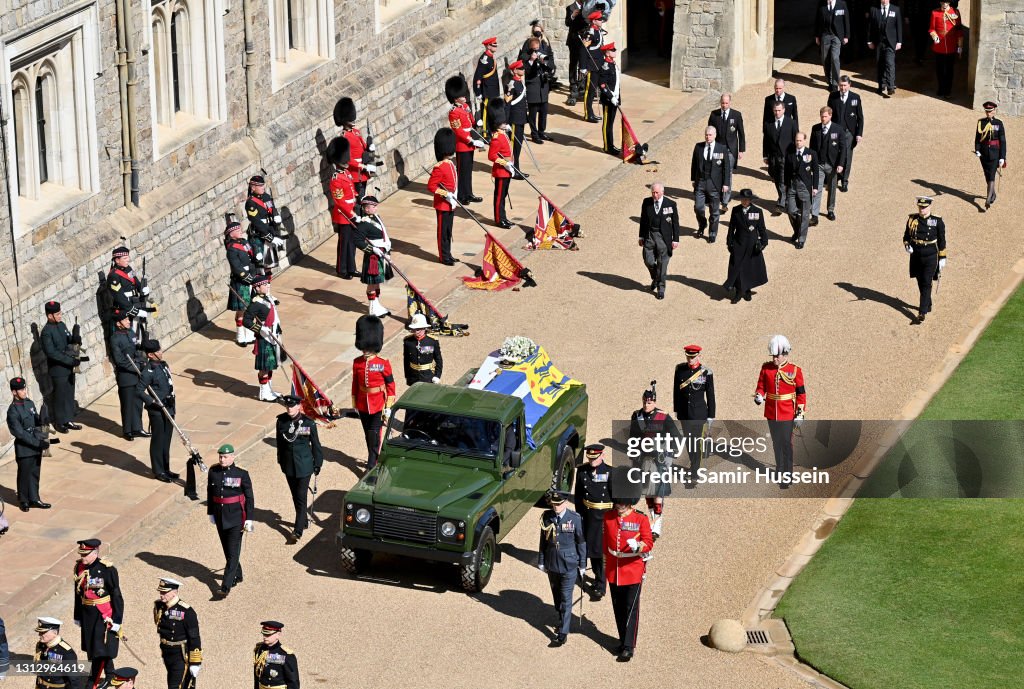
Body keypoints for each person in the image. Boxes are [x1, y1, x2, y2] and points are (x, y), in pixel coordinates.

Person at [603, 473, 654, 662]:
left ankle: (629, 646)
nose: (620, 505)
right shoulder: (608, 517)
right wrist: (604, 566)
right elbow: (605, 544)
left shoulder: (640, 519)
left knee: (631, 609)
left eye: (623, 502)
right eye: (618, 501)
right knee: (618, 608)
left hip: (632, 569)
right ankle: (622, 640)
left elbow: (648, 542)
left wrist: (638, 546)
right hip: (614, 570)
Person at [754, 335, 806, 488]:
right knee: (776, 443)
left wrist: (800, 413)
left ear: (784, 354)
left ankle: (788, 473)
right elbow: (761, 386)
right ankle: (780, 469)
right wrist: (759, 395)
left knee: (786, 444)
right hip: (771, 412)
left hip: (787, 413)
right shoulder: (766, 369)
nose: (774, 359)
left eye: (777, 356)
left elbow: (801, 394)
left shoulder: (795, 371)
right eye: (773, 356)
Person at [628, 384, 678, 538]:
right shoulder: (637, 416)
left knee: (658, 493)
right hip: (643, 458)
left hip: (659, 460)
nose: (646, 405)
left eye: (649, 402)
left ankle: (657, 525)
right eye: (644, 402)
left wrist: (670, 453)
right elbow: (633, 437)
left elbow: (676, 436)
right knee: (648, 493)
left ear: (654, 402)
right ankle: (653, 520)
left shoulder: (663, 416)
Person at [537, 490, 586, 648]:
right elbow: (543, 541)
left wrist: (583, 564)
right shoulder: (547, 517)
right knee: (557, 597)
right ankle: (561, 620)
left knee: (566, 598)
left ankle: (562, 634)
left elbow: (581, 542)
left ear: (565, 503)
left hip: (569, 564)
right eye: (554, 504)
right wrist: (541, 560)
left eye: (559, 504)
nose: (556, 507)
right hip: (552, 563)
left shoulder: (575, 519)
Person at [73, 538, 124, 688]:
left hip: (103, 615)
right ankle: (110, 674)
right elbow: (77, 594)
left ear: (95, 552)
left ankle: (92, 682)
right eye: (81, 554)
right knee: (92, 647)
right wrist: (77, 615)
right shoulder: (78, 567)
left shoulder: (107, 569)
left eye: (86, 554)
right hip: (87, 614)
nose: (83, 557)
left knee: (99, 650)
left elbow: (117, 596)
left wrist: (117, 620)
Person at [137, 339, 186, 490]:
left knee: (166, 441)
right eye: (157, 351)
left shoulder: (163, 365)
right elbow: (138, 390)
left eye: (160, 350)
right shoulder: (148, 371)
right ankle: (158, 471)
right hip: (157, 410)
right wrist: (152, 401)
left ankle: (166, 468)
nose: (161, 352)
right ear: (151, 355)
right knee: (158, 441)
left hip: (169, 407)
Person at [207, 444, 254, 595]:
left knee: (233, 553)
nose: (222, 459)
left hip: (236, 518)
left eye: (225, 457)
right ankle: (237, 574)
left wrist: (250, 519)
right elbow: (210, 493)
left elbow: (249, 498)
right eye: (220, 456)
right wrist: (210, 512)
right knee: (227, 550)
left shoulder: (242, 474)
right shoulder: (213, 471)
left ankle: (225, 586)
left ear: (233, 457)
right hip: (220, 516)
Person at [276, 395, 324, 541]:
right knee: (295, 495)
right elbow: (279, 443)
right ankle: (302, 520)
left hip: (304, 465)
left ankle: (297, 531)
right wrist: (280, 460)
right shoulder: (281, 421)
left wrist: (318, 464)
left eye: (292, 406)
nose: (289, 408)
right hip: (288, 465)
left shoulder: (308, 424)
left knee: (301, 496)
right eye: (287, 406)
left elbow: (316, 445)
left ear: (299, 407)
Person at [351, 315, 396, 471]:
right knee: (367, 433)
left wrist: (388, 406)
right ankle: (375, 455)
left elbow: (390, 385)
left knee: (373, 433)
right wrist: (355, 402)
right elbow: (355, 384)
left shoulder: (383, 363)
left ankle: (372, 464)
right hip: (363, 403)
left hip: (378, 403)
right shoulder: (357, 362)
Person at [672, 344, 716, 486]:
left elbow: (710, 395)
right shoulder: (680, 370)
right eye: (688, 356)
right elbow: (676, 392)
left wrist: (711, 416)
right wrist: (677, 410)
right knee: (689, 443)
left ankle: (695, 471)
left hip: (699, 414)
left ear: (699, 356)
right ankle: (694, 463)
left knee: (696, 444)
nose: (690, 359)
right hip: (685, 413)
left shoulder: (706, 373)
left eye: (693, 357)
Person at [7, 376, 52, 511]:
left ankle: (34, 498)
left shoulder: (29, 403)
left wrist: (44, 422)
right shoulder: (13, 411)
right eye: (21, 389)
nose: (24, 391)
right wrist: (37, 443)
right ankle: (23, 500)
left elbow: (36, 422)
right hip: (25, 448)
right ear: (14, 392)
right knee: (24, 474)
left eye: (24, 388)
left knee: (34, 473)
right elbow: (20, 433)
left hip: (36, 445)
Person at [574, 443, 612, 601]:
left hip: (603, 516)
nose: (592, 461)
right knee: (587, 547)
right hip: (587, 515)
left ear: (602, 455)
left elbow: (616, 499)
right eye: (590, 458)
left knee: (599, 552)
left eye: (595, 458)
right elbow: (578, 496)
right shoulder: (582, 471)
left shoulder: (611, 472)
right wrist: (579, 516)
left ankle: (600, 584)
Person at [41, 301, 84, 433]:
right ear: (50, 316)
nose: (60, 315)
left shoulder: (62, 325)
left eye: (60, 313)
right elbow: (52, 353)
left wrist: (75, 338)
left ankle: (68, 419)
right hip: (58, 369)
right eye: (57, 314)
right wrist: (70, 361)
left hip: (69, 367)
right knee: (60, 396)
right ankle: (60, 422)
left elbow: (68, 339)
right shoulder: (46, 332)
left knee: (69, 394)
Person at [903, 196, 947, 324]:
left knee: (927, 282)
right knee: (920, 280)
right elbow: (906, 236)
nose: (922, 209)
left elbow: (942, 240)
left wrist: (943, 257)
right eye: (920, 207)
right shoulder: (912, 219)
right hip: (916, 254)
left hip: (931, 255)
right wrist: (907, 246)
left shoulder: (937, 221)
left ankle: (922, 312)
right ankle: (928, 303)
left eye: (925, 207)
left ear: (930, 207)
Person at [153, 577, 202, 689]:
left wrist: (195, 662)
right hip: (166, 652)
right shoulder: (159, 606)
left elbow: (194, 638)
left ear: (174, 592)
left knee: (176, 686)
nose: (161, 595)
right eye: (161, 592)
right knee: (173, 682)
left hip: (180, 655)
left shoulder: (187, 611)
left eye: (165, 592)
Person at [445, 74, 485, 206]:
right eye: (462, 95)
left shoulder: (464, 106)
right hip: (462, 144)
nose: (464, 97)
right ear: (455, 98)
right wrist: (471, 141)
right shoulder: (453, 112)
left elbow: (470, 121)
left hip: (469, 141)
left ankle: (469, 193)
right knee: (462, 171)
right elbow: (458, 130)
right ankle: (462, 195)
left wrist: (476, 121)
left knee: (468, 170)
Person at [723, 189, 769, 303]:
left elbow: (761, 228)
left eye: (746, 199)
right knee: (737, 268)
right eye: (742, 199)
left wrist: (764, 242)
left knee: (749, 268)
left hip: (752, 245)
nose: (744, 201)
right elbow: (731, 228)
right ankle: (738, 291)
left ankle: (747, 289)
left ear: (750, 200)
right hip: (739, 243)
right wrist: (729, 242)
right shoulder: (736, 210)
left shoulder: (758, 211)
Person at [243, 275, 283, 401]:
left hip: (273, 335)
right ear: (257, 288)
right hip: (264, 338)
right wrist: (260, 329)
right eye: (264, 285)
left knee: (270, 365)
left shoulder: (267, 298)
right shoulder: (256, 303)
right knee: (264, 367)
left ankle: (269, 390)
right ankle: (264, 393)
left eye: (267, 284)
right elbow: (246, 321)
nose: (267, 286)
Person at [352, 195, 394, 316]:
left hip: (382, 252)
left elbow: (384, 235)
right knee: (372, 283)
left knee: (377, 281)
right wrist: (372, 249)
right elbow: (357, 241)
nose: (376, 208)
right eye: (373, 206)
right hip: (373, 256)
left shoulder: (377, 218)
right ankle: (372, 309)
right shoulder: (364, 224)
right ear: (366, 209)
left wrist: (387, 252)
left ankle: (377, 305)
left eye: (376, 206)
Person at [109, 309, 146, 441]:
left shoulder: (130, 333)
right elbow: (120, 361)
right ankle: (128, 430)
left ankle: (138, 427)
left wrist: (141, 359)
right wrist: (137, 367)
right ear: (118, 323)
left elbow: (137, 349)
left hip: (137, 374)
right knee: (127, 404)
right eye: (125, 320)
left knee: (137, 403)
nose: (128, 321)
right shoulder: (114, 339)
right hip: (127, 376)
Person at [638, 183, 679, 300]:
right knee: (648, 260)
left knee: (662, 265)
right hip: (650, 235)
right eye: (653, 193)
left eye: (656, 193)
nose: (654, 195)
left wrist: (675, 239)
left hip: (663, 238)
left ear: (662, 192)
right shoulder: (646, 202)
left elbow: (675, 223)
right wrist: (641, 236)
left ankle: (661, 289)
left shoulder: (670, 204)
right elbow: (643, 220)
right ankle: (656, 277)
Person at [691, 126, 732, 243]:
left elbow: (726, 168)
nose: (708, 137)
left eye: (710, 135)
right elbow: (694, 163)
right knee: (698, 207)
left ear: (715, 135)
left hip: (714, 184)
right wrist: (693, 179)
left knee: (714, 211)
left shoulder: (722, 148)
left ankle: (712, 232)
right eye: (706, 135)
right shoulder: (698, 147)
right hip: (701, 182)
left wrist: (726, 183)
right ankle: (702, 224)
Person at [707, 94, 746, 210]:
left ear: (730, 103)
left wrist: (741, 150)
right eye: (723, 103)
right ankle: (717, 195)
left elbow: (741, 133)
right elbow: (709, 131)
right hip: (718, 149)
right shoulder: (714, 115)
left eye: (726, 103)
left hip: (730, 149)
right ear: (720, 102)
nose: (724, 105)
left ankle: (725, 200)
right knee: (716, 172)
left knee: (727, 173)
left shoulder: (736, 115)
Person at [327, 137, 358, 279]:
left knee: (352, 242)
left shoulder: (346, 173)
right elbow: (340, 201)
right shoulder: (336, 178)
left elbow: (352, 190)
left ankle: (351, 267)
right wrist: (351, 213)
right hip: (344, 215)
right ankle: (342, 269)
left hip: (351, 211)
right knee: (344, 243)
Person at [827, 75, 864, 192]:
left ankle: (844, 181)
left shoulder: (855, 97)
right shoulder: (833, 96)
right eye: (841, 85)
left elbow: (860, 118)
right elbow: (829, 114)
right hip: (836, 131)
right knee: (834, 153)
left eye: (844, 85)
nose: (842, 88)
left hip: (849, 133)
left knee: (847, 156)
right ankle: (835, 178)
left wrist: (858, 134)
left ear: (849, 85)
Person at [428, 127, 459, 265]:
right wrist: (446, 194)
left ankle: (449, 253)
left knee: (448, 231)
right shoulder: (439, 167)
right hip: (443, 204)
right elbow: (431, 186)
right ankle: (443, 256)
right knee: (442, 232)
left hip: (451, 203)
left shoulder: (451, 164)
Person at [809, 106, 846, 224]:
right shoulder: (815, 129)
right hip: (819, 164)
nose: (823, 119)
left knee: (832, 187)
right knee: (817, 188)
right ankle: (814, 214)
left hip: (833, 165)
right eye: (821, 116)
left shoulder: (838, 129)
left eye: (825, 116)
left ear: (830, 116)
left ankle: (830, 209)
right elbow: (812, 148)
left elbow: (843, 148)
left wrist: (840, 164)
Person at [334, 97, 377, 199]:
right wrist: (363, 166)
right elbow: (347, 159)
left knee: (362, 197)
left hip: (363, 172)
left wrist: (370, 147)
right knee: (358, 199)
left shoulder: (356, 132)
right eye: (350, 118)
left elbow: (363, 147)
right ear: (344, 120)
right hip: (355, 174)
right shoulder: (344, 137)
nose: (353, 120)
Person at [520, 23, 556, 144]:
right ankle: (534, 134)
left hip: (543, 82)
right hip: (533, 82)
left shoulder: (545, 43)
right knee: (533, 111)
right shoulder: (528, 43)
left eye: (539, 31)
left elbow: (551, 58)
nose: (538, 33)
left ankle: (542, 132)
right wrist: (531, 58)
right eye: (535, 31)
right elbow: (522, 58)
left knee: (544, 110)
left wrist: (548, 65)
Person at [106, 246, 151, 338]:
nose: (128, 260)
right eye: (125, 258)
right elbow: (119, 296)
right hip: (125, 308)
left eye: (128, 257)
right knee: (131, 334)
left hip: (135, 301)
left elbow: (135, 281)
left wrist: (143, 289)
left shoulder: (128, 269)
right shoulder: (113, 276)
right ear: (117, 260)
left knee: (141, 329)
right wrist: (132, 310)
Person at [244, 175, 285, 276]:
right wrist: (270, 238)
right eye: (260, 186)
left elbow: (272, 208)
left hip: (270, 229)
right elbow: (256, 222)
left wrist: (276, 216)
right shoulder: (250, 203)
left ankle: (267, 291)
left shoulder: (266, 196)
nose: (263, 187)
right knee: (260, 267)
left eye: (263, 185)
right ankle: (261, 291)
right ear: (253, 187)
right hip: (259, 235)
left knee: (269, 265)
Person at [785, 132, 819, 249]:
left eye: (800, 141)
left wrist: (815, 187)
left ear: (804, 141)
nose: (798, 143)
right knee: (790, 210)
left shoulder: (811, 153)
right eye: (796, 141)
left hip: (805, 186)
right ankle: (797, 230)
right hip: (792, 185)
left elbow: (816, 172)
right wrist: (786, 185)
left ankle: (801, 239)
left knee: (805, 214)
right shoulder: (790, 154)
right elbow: (786, 171)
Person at [226, 219, 257, 346]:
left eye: (239, 229)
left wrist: (254, 272)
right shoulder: (231, 249)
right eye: (237, 230)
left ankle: (249, 335)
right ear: (231, 234)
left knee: (249, 308)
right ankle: (240, 336)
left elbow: (251, 256)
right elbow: (236, 267)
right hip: (240, 281)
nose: (240, 231)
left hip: (250, 276)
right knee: (241, 309)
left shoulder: (244, 242)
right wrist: (247, 277)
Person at [762, 101, 797, 209]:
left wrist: (795, 156)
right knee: (776, 178)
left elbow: (795, 139)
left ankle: (781, 202)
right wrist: (765, 156)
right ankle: (784, 197)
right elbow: (766, 140)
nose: (777, 113)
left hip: (786, 156)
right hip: (773, 157)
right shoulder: (768, 124)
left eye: (779, 110)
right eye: (775, 110)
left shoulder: (791, 123)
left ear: (784, 110)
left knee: (782, 179)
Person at [33, 617, 83, 689]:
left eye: (43, 632)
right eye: (39, 632)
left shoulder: (66, 652)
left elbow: (74, 680)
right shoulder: (41, 645)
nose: (39, 635)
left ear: (54, 633)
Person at [975, 101, 1007, 211]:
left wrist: (1002, 157)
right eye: (987, 111)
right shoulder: (981, 122)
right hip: (983, 153)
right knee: (987, 174)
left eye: (990, 111)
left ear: (994, 111)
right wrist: (977, 150)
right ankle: (993, 194)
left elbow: (1002, 141)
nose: (988, 113)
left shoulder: (999, 123)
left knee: (992, 175)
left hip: (995, 153)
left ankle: (988, 199)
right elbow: (978, 138)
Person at [487, 105, 515, 229]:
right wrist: (505, 164)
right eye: (502, 122)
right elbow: (491, 156)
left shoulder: (503, 134)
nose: (505, 123)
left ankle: (503, 217)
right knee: (499, 197)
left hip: (508, 170)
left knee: (503, 195)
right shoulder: (497, 138)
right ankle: (499, 219)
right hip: (501, 171)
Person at [868, 0, 902, 97]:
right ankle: (881, 85)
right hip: (878, 42)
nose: (884, 0)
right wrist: (869, 41)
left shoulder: (895, 9)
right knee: (880, 63)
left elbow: (898, 26)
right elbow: (870, 26)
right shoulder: (874, 10)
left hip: (890, 42)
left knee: (890, 63)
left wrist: (899, 41)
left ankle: (890, 86)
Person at [816, 0, 851, 92]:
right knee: (825, 59)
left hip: (837, 36)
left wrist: (847, 35)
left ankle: (835, 83)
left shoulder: (842, 4)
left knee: (835, 58)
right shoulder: (822, 4)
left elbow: (846, 20)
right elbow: (818, 20)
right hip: (825, 35)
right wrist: (817, 36)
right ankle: (829, 80)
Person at [930, 1, 963, 99]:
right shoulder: (934, 13)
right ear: (940, 3)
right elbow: (932, 29)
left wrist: (960, 46)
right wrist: (935, 38)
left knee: (949, 70)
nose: (944, 5)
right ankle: (941, 88)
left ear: (949, 3)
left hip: (951, 46)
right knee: (939, 70)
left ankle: (948, 90)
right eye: (943, 2)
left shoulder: (955, 12)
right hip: (939, 46)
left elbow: (959, 30)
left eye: (946, 3)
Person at [253, 622, 299, 689]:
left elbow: (293, 681)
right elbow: (257, 676)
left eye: (268, 635)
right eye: (264, 634)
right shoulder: (259, 650)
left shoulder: (286, 654)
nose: (265, 637)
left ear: (278, 635)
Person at [578, 12, 605, 122]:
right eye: (599, 19)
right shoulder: (590, 33)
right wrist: (583, 66)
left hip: (598, 64)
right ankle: (588, 114)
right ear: (594, 21)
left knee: (594, 91)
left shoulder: (598, 31)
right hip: (592, 65)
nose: (601, 21)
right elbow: (583, 50)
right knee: (590, 91)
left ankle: (592, 113)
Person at [403, 313, 443, 386]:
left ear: (424, 328)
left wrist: (437, 375)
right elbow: (406, 360)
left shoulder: (432, 341)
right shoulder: (407, 341)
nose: (416, 332)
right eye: (413, 329)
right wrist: (407, 376)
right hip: (413, 376)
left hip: (428, 376)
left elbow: (438, 359)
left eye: (418, 329)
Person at [504, 60, 529, 177]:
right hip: (514, 119)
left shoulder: (520, 83)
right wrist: (506, 121)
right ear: (515, 70)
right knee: (514, 145)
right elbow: (507, 104)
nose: (523, 70)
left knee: (518, 145)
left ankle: (517, 167)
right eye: (521, 68)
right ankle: (513, 169)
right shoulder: (511, 85)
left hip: (521, 118)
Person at [473, 37, 502, 134]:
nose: (496, 47)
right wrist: (478, 92)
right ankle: (485, 133)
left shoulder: (490, 57)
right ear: (488, 46)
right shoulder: (484, 59)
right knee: (486, 113)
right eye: (494, 45)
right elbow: (478, 77)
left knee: (492, 112)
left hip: (493, 90)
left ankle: (492, 131)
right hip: (487, 91)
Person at [597, 43, 621, 156]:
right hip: (608, 99)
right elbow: (602, 84)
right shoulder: (605, 65)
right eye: (613, 50)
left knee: (611, 123)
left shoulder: (612, 63)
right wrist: (611, 97)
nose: (615, 51)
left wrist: (616, 97)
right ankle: (607, 146)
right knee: (607, 124)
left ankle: (611, 145)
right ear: (607, 52)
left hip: (615, 98)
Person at [565, 0, 588, 106]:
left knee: (583, 63)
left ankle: (582, 85)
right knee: (574, 63)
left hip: (584, 40)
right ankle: (573, 85)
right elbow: (567, 23)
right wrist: (573, 16)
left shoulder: (587, 6)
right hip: (574, 40)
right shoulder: (570, 8)